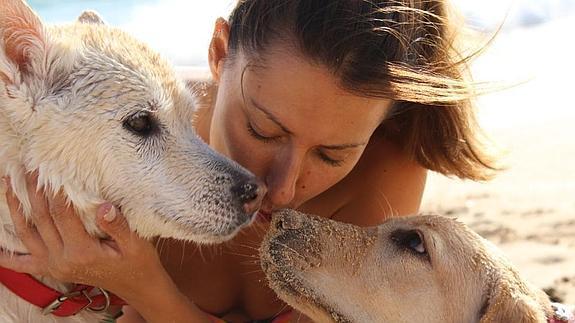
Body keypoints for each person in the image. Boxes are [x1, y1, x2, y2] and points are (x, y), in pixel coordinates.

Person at [0, 0, 498, 322]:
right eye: (262, 129)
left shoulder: (387, 172)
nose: (278, 192)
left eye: (331, 154)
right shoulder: (116, 148)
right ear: (219, 52)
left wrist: (143, 285)